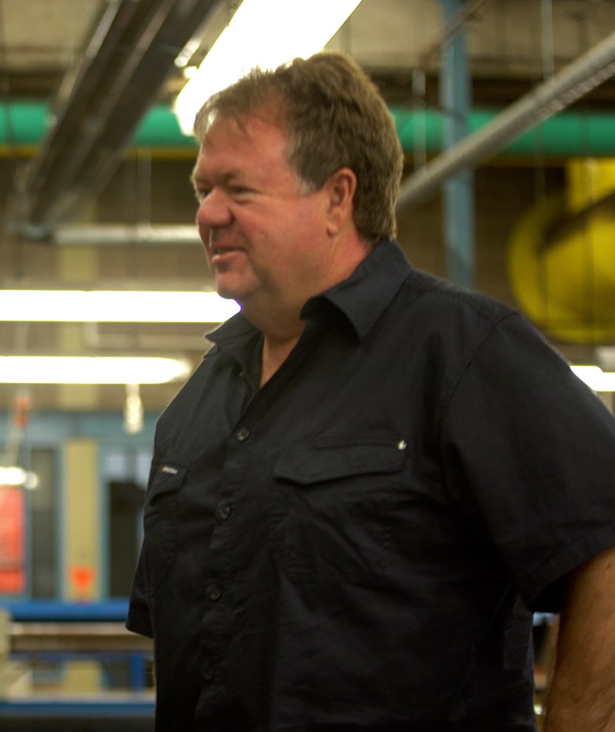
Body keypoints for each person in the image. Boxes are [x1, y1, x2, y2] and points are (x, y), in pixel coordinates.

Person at [126, 51, 615, 731]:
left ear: (336, 197)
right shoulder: (197, 406)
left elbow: (606, 554)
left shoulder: (459, 353)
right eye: (202, 189)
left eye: (238, 189)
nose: (208, 214)